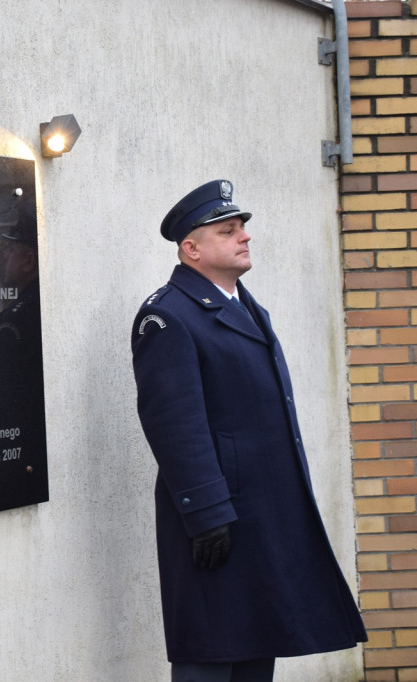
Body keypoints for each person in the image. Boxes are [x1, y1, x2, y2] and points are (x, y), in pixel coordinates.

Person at [130, 180, 366, 681]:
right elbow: (175, 425)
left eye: (243, 228)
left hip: (258, 512)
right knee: (210, 656)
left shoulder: (241, 304)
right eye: (227, 230)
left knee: (258, 645)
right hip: (215, 520)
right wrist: (208, 513)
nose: (244, 238)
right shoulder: (168, 316)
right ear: (191, 249)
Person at [0, 203, 49, 517]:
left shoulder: (15, 323)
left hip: (17, 467)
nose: (4, 257)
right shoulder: (43, 307)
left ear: (29, 260)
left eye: (10, 250)